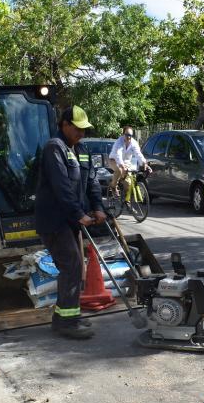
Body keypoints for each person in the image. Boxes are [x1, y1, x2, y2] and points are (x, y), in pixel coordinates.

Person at [35, 105, 107, 339]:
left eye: (84, 130)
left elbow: (92, 181)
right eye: (78, 129)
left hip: (71, 221)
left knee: (76, 268)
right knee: (72, 266)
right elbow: (62, 188)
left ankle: (66, 318)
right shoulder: (53, 149)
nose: (82, 134)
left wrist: (97, 207)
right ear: (64, 125)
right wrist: (79, 214)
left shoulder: (81, 149)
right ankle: (66, 323)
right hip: (55, 220)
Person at [107, 126, 151, 200]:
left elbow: (138, 154)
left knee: (129, 183)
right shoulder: (119, 142)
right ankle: (113, 186)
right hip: (114, 160)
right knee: (119, 170)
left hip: (126, 162)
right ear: (123, 134)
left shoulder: (134, 143)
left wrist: (144, 163)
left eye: (130, 135)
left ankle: (127, 201)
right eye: (127, 135)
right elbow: (118, 155)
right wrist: (122, 166)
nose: (129, 137)